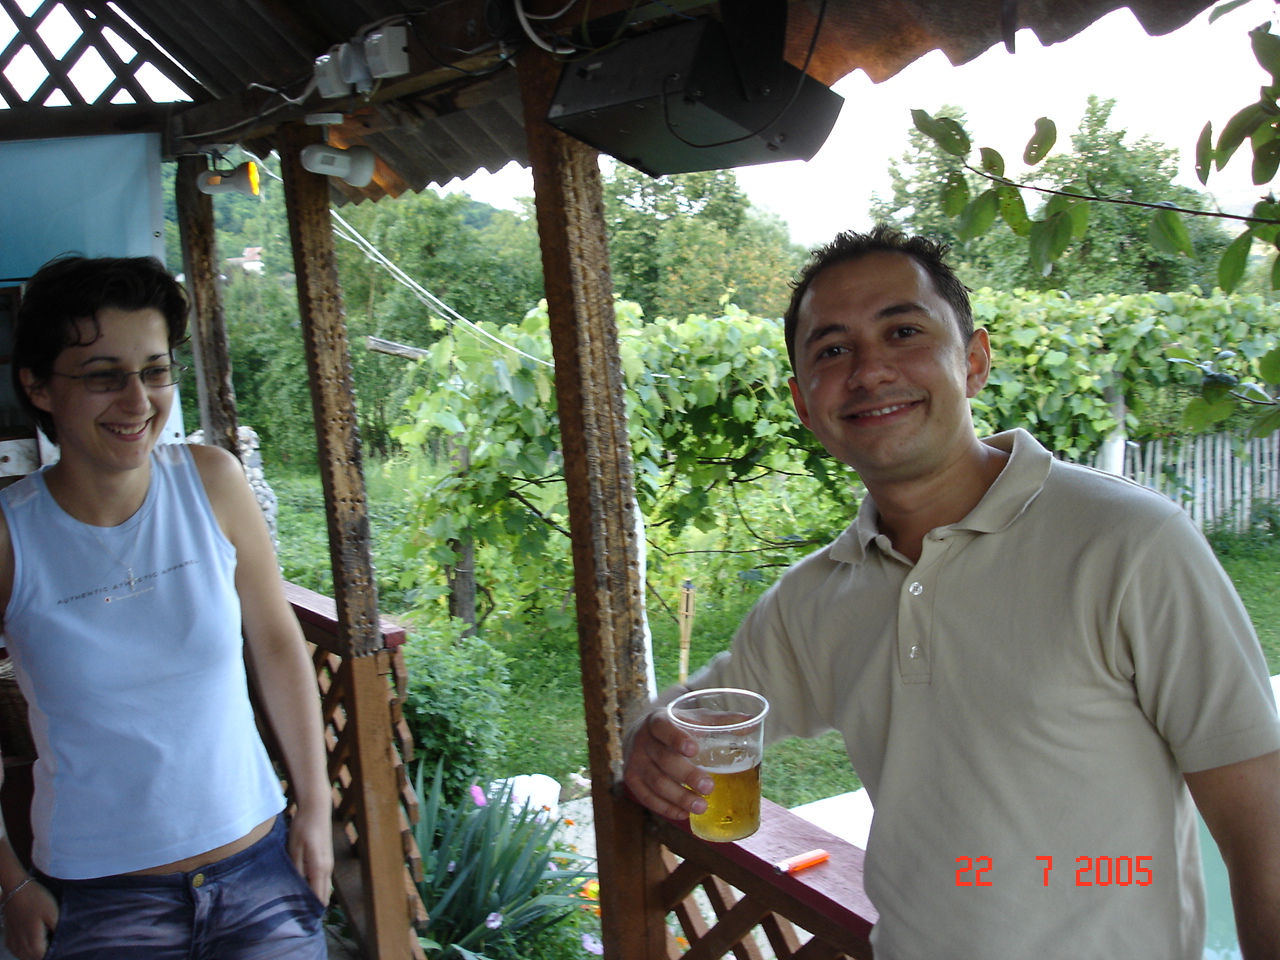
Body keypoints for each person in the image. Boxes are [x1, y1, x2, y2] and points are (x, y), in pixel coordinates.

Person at [623, 225, 1280, 959]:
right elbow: (692, 717)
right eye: (832, 350)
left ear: (973, 361)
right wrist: (649, 741)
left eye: (903, 332)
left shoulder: (1130, 544)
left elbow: (1263, 832)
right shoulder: (816, 597)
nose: (869, 371)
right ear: (804, 404)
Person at [0, 256, 332, 959]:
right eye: (102, 376)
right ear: (37, 385)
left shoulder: (212, 483)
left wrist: (316, 806)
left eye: (154, 371)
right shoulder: (11, 536)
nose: (138, 401)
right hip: (101, 899)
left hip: (259, 872)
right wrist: (9, 882)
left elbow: (277, 644)